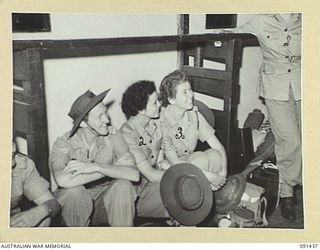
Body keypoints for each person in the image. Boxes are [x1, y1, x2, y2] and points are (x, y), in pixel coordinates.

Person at [233, 13, 302, 220]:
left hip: (304, 80)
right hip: (275, 84)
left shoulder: (307, 17)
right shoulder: (261, 21)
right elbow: (234, 33)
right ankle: (287, 191)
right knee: (290, 140)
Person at [50, 89, 139, 227]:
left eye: (105, 113)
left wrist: (97, 167)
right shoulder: (64, 142)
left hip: (102, 204)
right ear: (83, 123)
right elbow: (63, 180)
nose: (107, 120)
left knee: (123, 185)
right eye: (99, 116)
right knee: (76, 192)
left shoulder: (113, 135)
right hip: (72, 210)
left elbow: (133, 174)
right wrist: (112, 169)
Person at [159, 69, 227, 191]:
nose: (191, 95)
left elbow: (219, 147)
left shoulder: (194, 115)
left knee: (215, 156)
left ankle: (207, 192)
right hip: (168, 169)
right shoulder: (161, 120)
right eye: (184, 92)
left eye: (190, 90)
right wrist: (209, 176)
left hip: (189, 164)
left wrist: (222, 174)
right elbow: (174, 162)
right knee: (200, 160)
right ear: (171, 99)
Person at [120, 80, 170, 219]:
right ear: (141, 109)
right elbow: (150, 175)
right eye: (155, 103)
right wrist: (180, 174)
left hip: (152, 184)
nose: (159, 105)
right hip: (137, 196)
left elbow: (159, 162)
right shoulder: (127, 134)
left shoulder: (154, 125)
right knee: (176, 191)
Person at [11, 139, 61, 227]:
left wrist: (43, 210)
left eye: (11, 140)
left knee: (43, 218)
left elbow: (53, 204)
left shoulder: (22, 164)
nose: (13, 149)